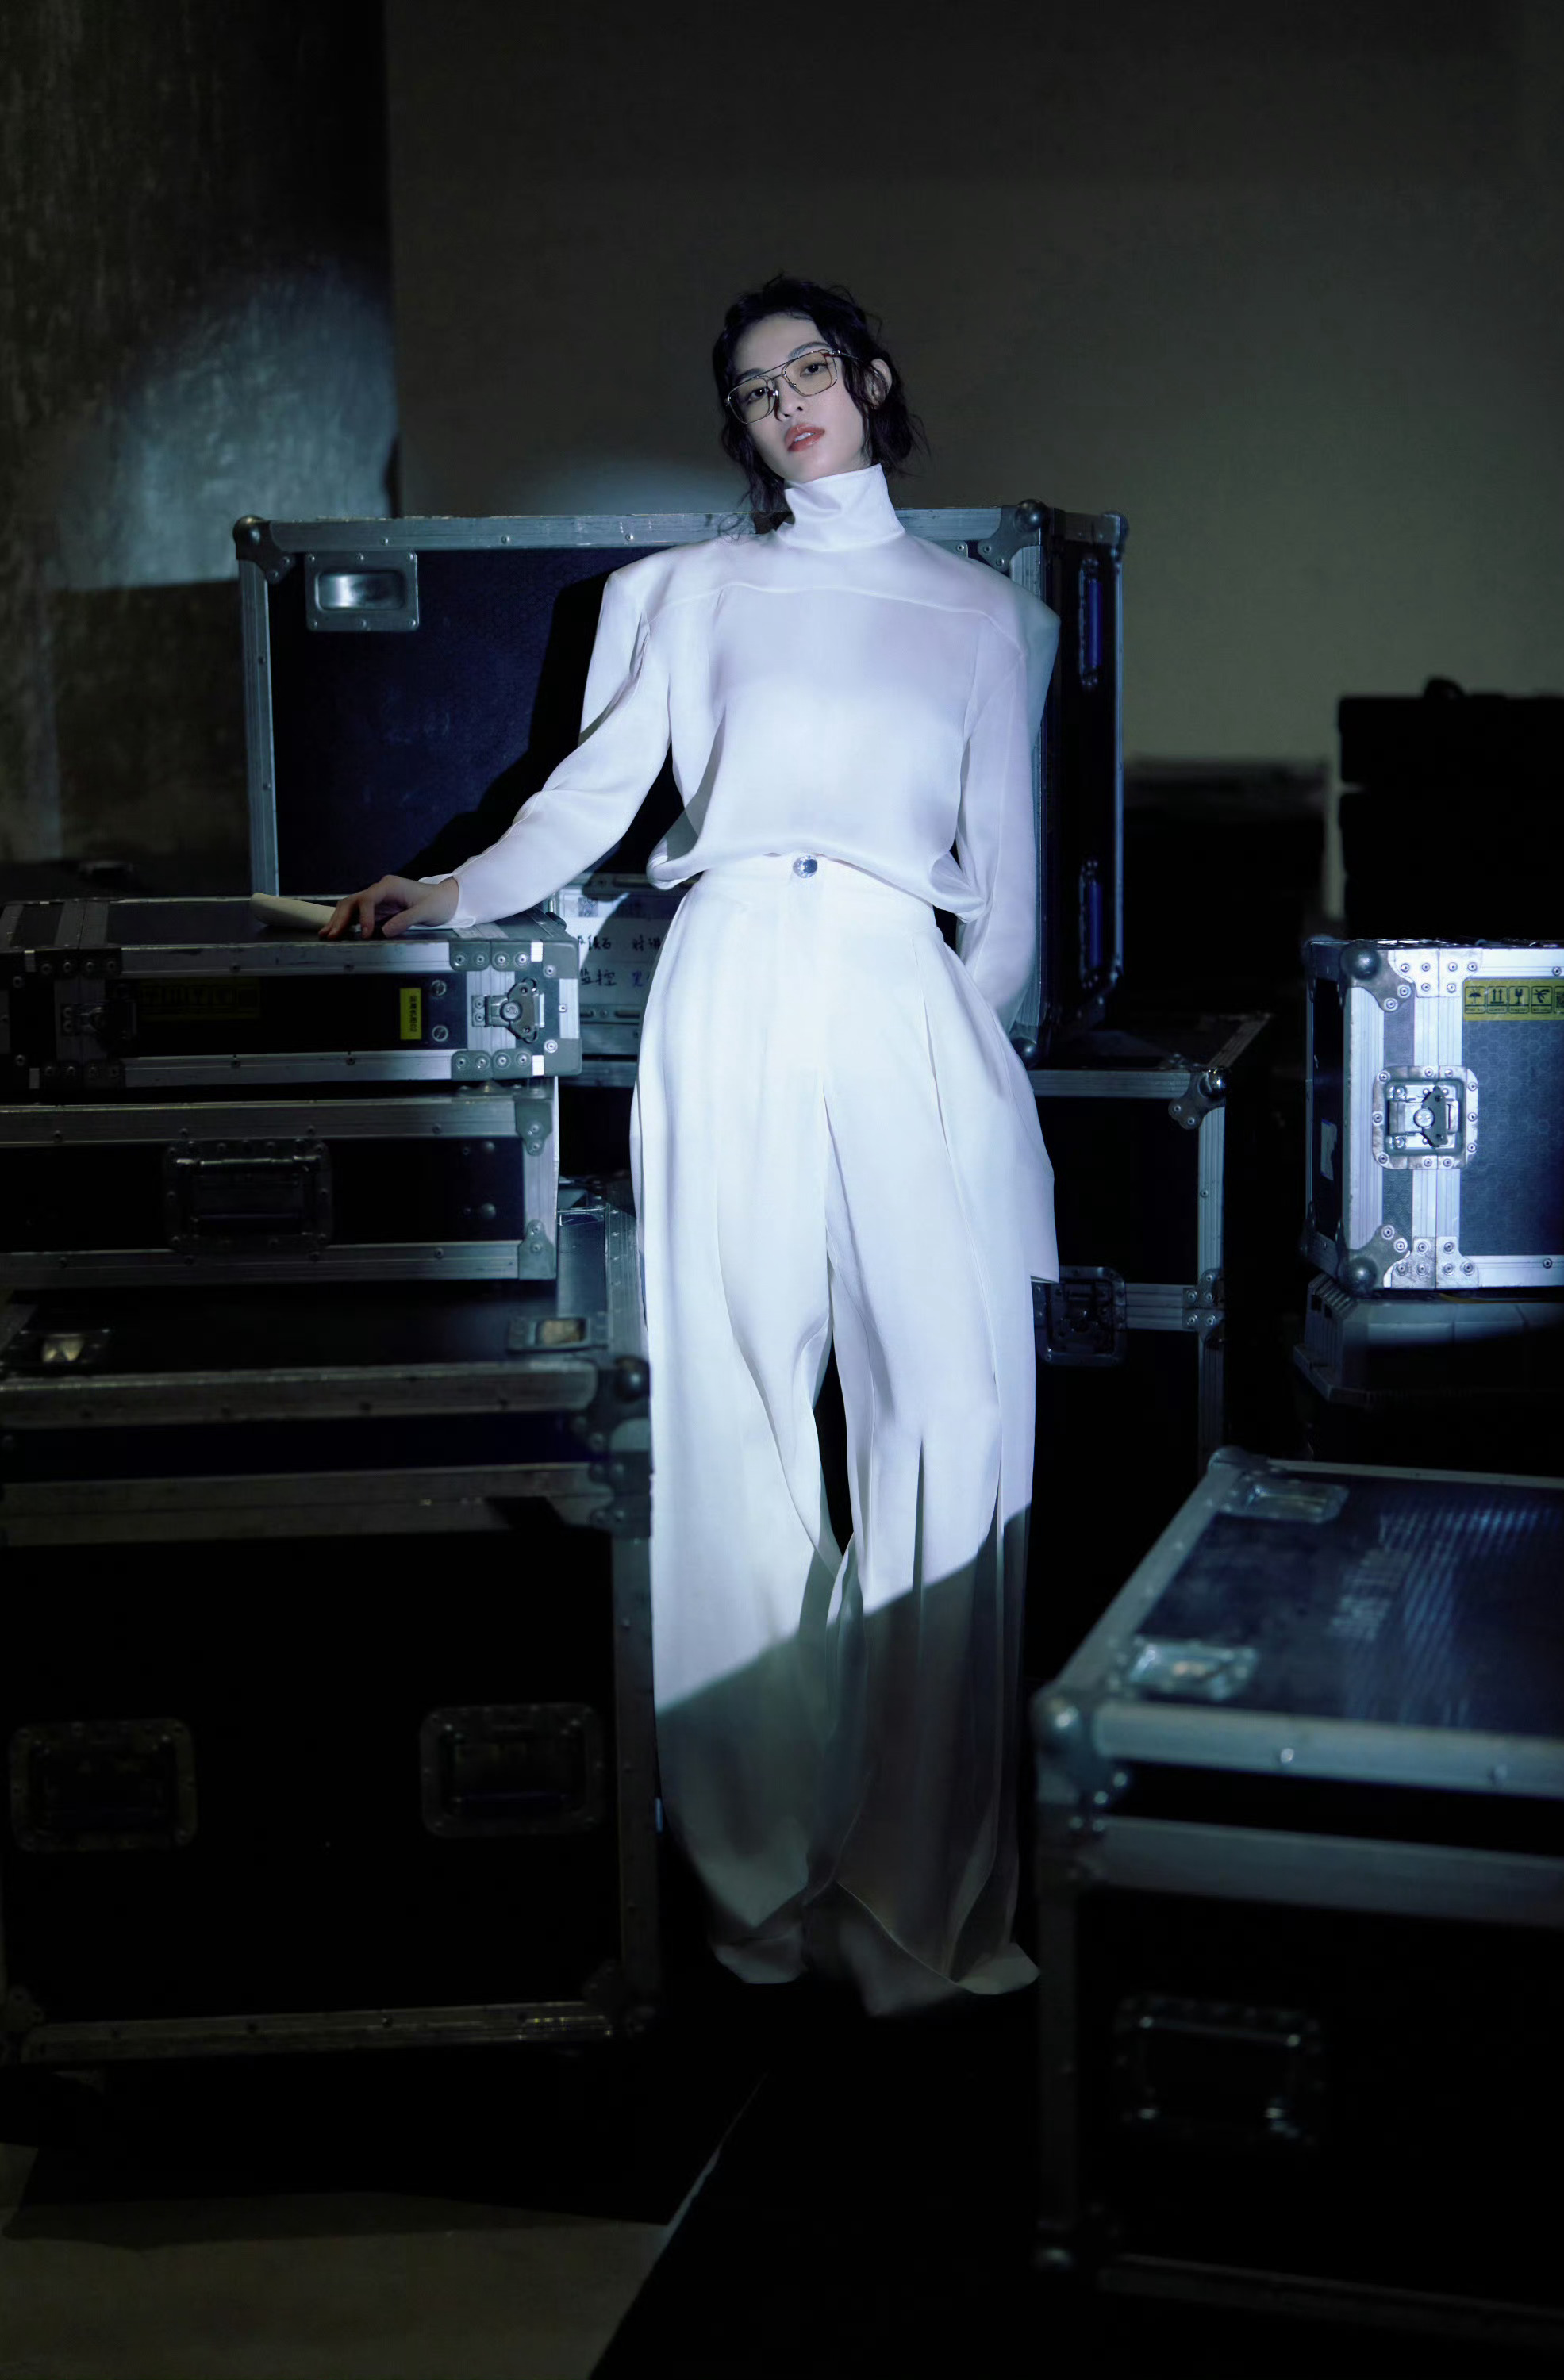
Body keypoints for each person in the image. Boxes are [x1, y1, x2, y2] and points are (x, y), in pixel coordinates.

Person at [322, 275, 1060, 2017]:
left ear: (872, 381)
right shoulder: (683, 592)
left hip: (906, 995)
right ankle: (763, 1870)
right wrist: (449, 892)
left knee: (955, 1419)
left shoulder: (984, 614)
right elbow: (589, 800)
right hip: (725, 980)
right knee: (728, 1421)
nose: (786, 404)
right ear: (736, 425)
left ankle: (916, 1891)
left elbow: (1009, 905)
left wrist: (954, 1045)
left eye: (810, 370)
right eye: (751, 390)